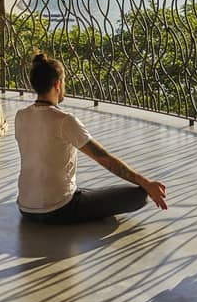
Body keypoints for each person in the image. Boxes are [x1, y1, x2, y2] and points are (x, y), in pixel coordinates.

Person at [15, 52, 168, 224]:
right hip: (58, 209)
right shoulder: (65, 120)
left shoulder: (21, 116)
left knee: (86, 192)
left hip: (25, 209)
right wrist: (146, 183)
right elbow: (104, 159)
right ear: (58, 84)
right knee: (139, 196)